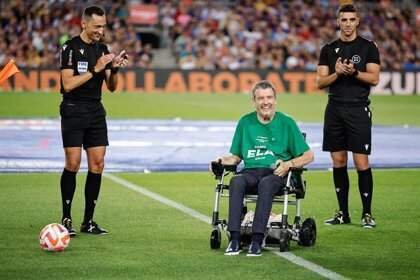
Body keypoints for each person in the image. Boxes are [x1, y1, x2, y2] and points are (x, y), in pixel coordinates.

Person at [212, 80, 314, 256]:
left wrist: (289, 164)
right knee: (236, 181)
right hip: (251, 171)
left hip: (276, 173)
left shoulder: (287, 123)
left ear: (275, 99)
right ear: (254, 100)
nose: (265, 102)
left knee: (266, 184)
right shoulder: (245, 122)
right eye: (261, 98)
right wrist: (221, 160)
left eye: (269, 97)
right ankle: (234, 239)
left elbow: (309, 156)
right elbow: (236, 157)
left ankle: (257, 240)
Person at [59, 5, 128, 236]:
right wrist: (95, 69)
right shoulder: (69, 48)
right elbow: (67, 85)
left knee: (97, 164)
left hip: (95, 110)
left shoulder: (103, 48)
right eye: (97, 26)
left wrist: (114, 70)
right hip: (73, 109)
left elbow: (111, 87)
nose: (100, 30)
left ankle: (88, 221)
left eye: (103, 26)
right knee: (73, 164)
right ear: (84, 24)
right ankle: (66, 218)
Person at [316, 4, 380, 229]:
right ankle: (343, 213)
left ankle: (367, 213)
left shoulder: (368, 47)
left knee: (361, 161)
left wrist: (354, 72)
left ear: (358, 22)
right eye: (344, 20)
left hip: (358, 109)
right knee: (338, 161)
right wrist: (337, 73)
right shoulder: (328, 49)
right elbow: (320, 82)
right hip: (334, 108)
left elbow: (374, 78)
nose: (348, 24)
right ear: (338, 22)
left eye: (352, 20)